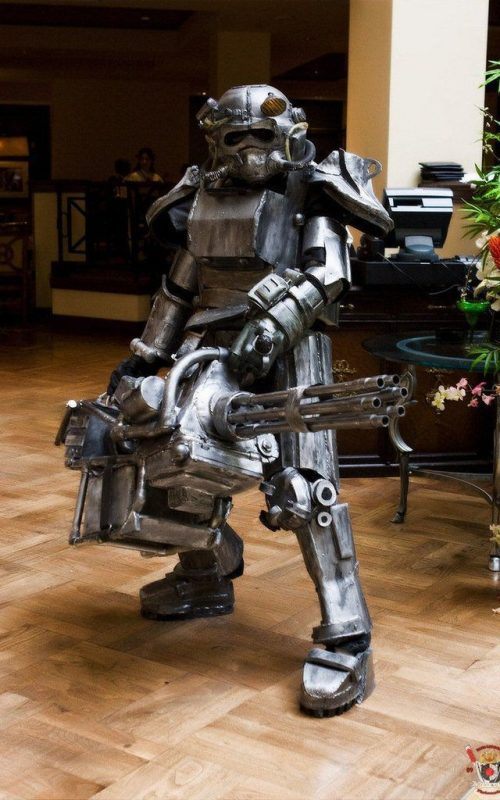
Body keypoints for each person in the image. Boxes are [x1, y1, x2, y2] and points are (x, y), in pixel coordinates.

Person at [81, 85, 393, 716]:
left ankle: (346, 631)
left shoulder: (312, 188)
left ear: (289, 135)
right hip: (206, 347)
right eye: (236, 136)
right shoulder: (199, 194)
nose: (251, 149)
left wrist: (275, 323)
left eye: (263, 135)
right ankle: (205, 574)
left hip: (291, 349)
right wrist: (146, 355)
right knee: (177, 463)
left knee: (304, 490)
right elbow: (179, 287)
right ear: (216, 141)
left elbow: (327, 271)